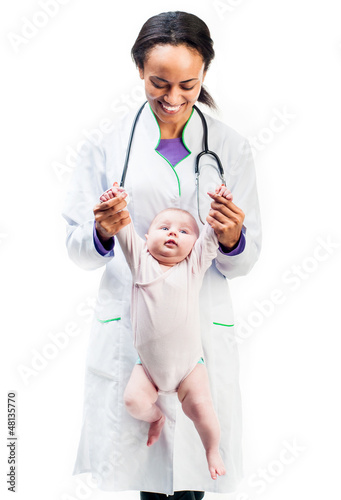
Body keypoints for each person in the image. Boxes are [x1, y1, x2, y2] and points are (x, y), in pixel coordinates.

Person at [62, 10, 261, 499]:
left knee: (195, 474)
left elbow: (246, 257)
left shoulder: (230, 149)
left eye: (188, 86)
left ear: (205, 76)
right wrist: (103, 233)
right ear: (138, 71)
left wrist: (234, 237)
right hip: (132, 334)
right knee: (140, 476)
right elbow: (78, 250)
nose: (173, 99)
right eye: (159, 83)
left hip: (200, 337)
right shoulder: (106, 146)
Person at [99, 183, 233, 480]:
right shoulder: (141, 262)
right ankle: (155, 416)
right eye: (164, 227)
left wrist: (220, 205)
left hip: (189, 369)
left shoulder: (193, 266)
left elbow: (212, 235)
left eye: (185, 231)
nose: (174, 232)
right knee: (133, 402)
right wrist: (115, 203)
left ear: (195, 245)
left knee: (204, 412)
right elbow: (121, 226)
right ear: (147, 239)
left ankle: (212, 450)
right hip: (147, 369)